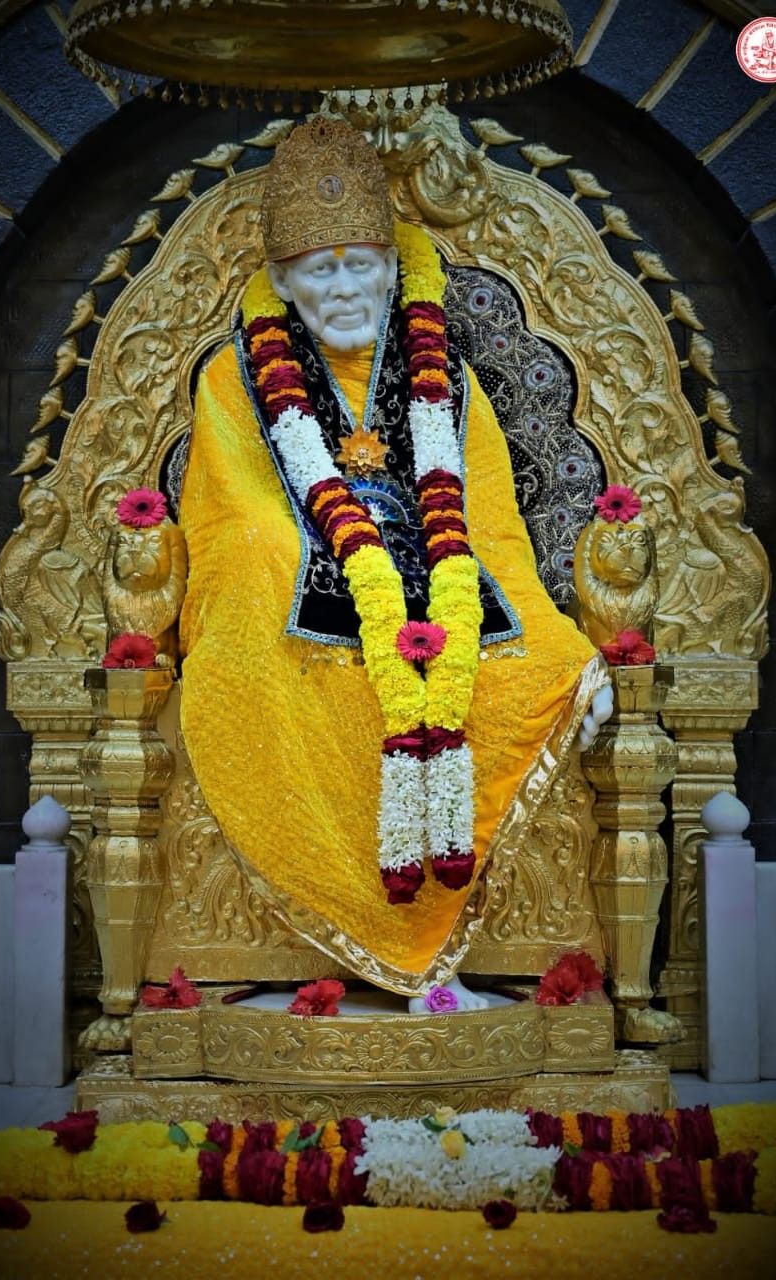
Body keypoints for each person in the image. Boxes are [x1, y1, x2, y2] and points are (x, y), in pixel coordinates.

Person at [178, 118, 610, 1010]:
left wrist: (571, 642)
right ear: (288, 284)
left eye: (359, 265)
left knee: (539, 669)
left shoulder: (441, 374)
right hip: (302, 594)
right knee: (260, 578)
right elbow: (234, 516)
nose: (343, 287)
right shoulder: (237, 376)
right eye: (322, 269)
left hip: (445, 591)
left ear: (391, 268)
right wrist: (326, 554)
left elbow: (490, 523)